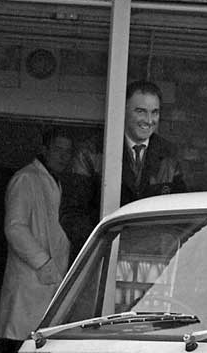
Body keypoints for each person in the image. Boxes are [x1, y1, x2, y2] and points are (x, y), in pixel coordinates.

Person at [61, 79, 186, 256]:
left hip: (151, 263)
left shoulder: (169, 154)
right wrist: (103, 247)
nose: (149, 120)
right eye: (141, 111)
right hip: (101, 260)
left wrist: (166, 247)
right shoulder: (92, 151)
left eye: (155, 112)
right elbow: (72, 214)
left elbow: (181, 216)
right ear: (124, 110)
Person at [0, 128, 74, 344]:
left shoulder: (54, 181)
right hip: (30, 283)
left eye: (68, 152)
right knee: (20, 344)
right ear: (44, 149)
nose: (63, 156)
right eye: (58, 149)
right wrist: (44, 263)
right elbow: (15, 228)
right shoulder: (25, 179)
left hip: (48, 282)